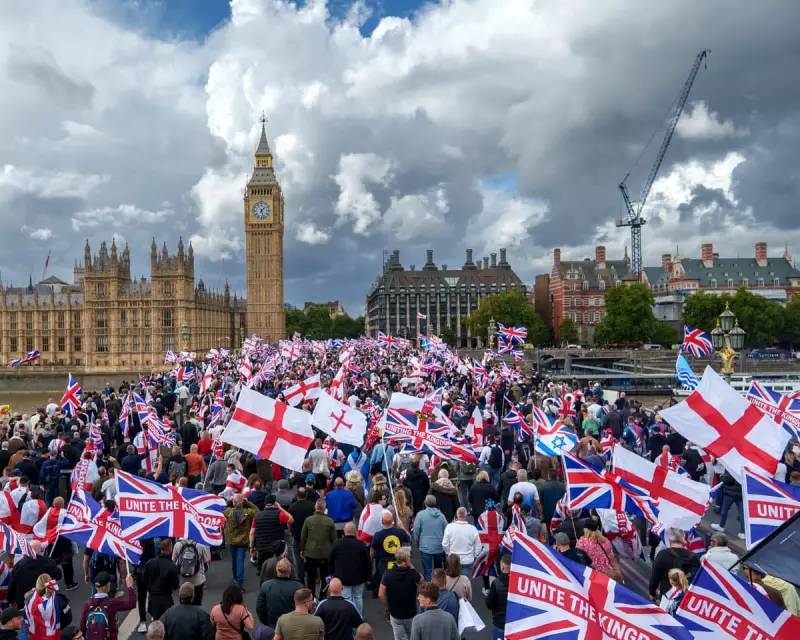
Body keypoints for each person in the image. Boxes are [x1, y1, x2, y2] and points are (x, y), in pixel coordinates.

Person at [329, 522, 372, 616]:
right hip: (359, 577)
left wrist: (331, 573)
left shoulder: (337, 544)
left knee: (347, 599)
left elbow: (331, 559)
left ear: (344, 531)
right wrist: (369, 577)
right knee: (358, 597)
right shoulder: (360, 544)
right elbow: (367, 562)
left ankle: (348, 618)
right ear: (355, 531)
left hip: (343, 577)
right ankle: (359, 617)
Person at [379, 547, 421, 640]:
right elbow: (422, 582)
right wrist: (411, 565)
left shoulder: (387, 574)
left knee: (399, 637)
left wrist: (388, 607)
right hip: (410, 612)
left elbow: (381, 594)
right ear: (407, 560)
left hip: (395, 613)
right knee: (413, 636)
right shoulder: (412, 574)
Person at [79, 573, 136, 640]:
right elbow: (132, 604)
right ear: (108, 585)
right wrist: (130, 587)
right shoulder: (112, 603)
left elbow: (82, 627)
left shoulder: (87, 604)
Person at [649, 529, 701, 602]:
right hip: (686, 598)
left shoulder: (663, 554)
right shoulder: (694, 557)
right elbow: (698, 579)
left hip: (667, 597)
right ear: (684, 540)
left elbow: (655, 576)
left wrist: (652, 593)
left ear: (670, 540)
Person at [8, 540, 63, 608]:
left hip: (25, 601)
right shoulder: (47, 562)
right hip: (44, 600)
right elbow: (58, 575)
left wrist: (11, 600)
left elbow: (12, 584)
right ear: (40, 550)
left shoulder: (19, 565)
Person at [301, 498, 337, 601]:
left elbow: (303, 536)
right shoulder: (330, 521)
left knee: (311, 576)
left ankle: (312, 596)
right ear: (324, 508)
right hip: (325, 554)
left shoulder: (308, 520)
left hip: (310, 553)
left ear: (315, 507)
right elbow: (334, 539)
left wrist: (302, 549)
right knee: (325, 576)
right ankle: (323, 595)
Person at [371, 511, 411, 595]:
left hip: (383, 563)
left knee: (385, 581)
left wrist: (371, 558)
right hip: (398, 561)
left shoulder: (378, 535)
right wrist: (402, 527)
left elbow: (372, 550)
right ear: (392, 521)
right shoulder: (399, 532)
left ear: (382, 521)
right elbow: (409, 538)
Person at [257, 558, 305, 628]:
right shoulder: (298, 587)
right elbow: (304, 608)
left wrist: (266, 622)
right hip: (292, 626)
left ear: (277, 570)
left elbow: (260, 608)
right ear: (290, 571)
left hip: (272, 625)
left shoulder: (266, 586)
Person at [252, 494, 294, 572]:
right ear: (275, 503)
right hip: (276, 547)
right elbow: (291, 519)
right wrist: (280, 508)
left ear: (265, 503)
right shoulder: (279, 514)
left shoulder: (257, 516)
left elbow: (252, 533)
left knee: (262, 570)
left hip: (262, 547)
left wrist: (251, 547)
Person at [224, 494, 259, 587]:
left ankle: (235, 577)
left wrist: (230, 500)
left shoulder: (228, 511)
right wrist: (246, 502)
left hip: (231, 540)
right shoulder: (247, 512)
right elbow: (257, 510)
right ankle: (239, 583)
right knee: (240, 561)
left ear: (233, 502)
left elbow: (221, 507)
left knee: (234, 560)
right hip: (243, 540)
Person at [144, 539, 180, 621]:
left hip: (152, 598)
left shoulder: (150, 563)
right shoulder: (172, 566)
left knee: (156, 623)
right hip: (165, 600)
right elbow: (175, 585)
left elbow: (144, 581)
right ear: (171, 549)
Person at [413, 495, 446, 581]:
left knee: (427, 570)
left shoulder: (420, 515)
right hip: (439, 546)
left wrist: (418, 543)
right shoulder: (442, 516)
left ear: (425, 503)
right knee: (439, 569)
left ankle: (429, 589)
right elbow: (446, 531)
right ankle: (439, 587)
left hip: (425, 546)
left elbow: (416, 530)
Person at [442, 507, 482, 576]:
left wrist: (449, 553)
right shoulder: (473, 529)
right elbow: (479, 546)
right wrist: (474, 556)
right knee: (466, 584)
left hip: (453, 560)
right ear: (466, 516)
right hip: (468, 560)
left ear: (457, 515)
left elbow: (444, 544)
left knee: (453, 582)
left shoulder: (449, 527)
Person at [173, 537, 211, 606]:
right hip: (197, 580)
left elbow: (173, 561)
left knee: (183, 605)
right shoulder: (200, 545)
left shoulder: (177, 545)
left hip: (182, 581)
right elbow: (206, 560)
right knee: (197, 605)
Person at [289, 487, 316, 583]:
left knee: (298, 558)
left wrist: (291, 530)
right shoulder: (312, 506)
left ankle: (301, 577)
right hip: (310, 535)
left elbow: (290, 522)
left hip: (297, 536)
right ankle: (312, 574)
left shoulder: (292, 507)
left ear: (297, 495)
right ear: (306, 495)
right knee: (311, 556)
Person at [23, 574, 61, 640]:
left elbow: (25, 620)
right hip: (53, 636)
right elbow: (67, 617)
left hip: (36, 636)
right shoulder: (57, 600)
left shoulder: (29, 600)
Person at [711, 470, 745, 539]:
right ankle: (742, 532)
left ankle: (721, 526)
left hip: (730, 493)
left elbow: (728, 479)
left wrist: (721, 477)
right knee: (741, 512)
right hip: (740, 493)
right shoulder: (743, 467)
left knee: (724, 509)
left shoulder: (731, 466)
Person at [485, 554, 511, 640]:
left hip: (499, 623)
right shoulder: (519, 584)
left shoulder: (496, 583)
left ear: (502, 567)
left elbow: (489, 604)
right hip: (514, 624)